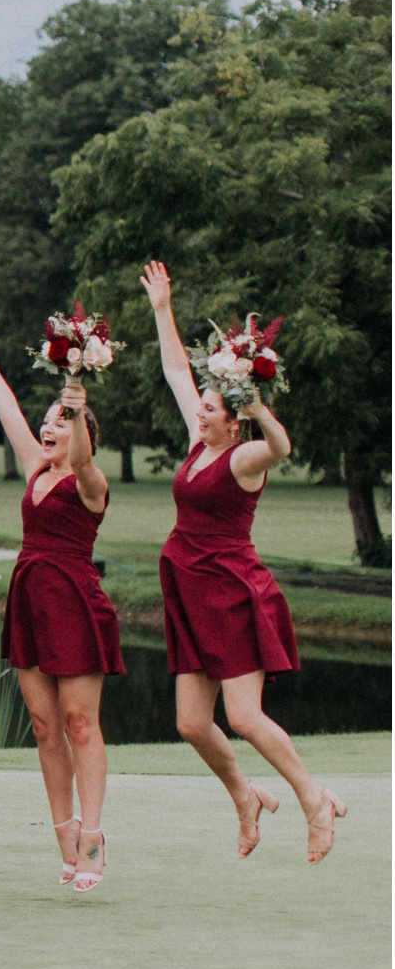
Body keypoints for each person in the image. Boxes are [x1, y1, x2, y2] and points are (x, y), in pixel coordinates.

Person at [142, 261, 345, 863]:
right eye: (200, 408)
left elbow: (282, 448)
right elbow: (177, 369)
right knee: (189, 723)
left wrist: (257, 408)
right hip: (189, 592)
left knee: (247, 717)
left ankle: (313, 799)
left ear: (232, 422)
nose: (198, 412)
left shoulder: (243, 458)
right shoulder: (197, 446)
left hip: (232, 593)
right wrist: (162, 308)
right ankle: (245, 796)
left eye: (209, 408)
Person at [0, 351, 124, 890]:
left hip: (74, 602)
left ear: (81, 432)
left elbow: (82, 462)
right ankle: (64, 832)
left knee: (80, 723)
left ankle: (92, 837)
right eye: (47, 422)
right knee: (44, 727)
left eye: (58, 423)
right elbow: (7, 407)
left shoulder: (90, 481)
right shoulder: (36, 467)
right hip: (29, 600)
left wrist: (76, 404)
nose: (45, 429)